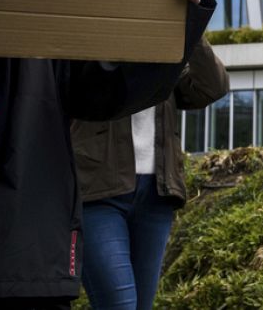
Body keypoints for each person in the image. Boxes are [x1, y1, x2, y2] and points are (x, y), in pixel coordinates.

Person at [0, 0, 214, 309]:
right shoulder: (68, 19)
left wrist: (176, 18)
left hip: (151, 191)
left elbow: (207, 88)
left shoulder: (51, 15)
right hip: (98, 190)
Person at [73, 37, 228, 310]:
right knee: (119, 305)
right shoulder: (89, 35)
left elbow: (211, 87)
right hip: (98, 190)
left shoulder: (165, 48)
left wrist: (189, 24)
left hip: (157, 192)